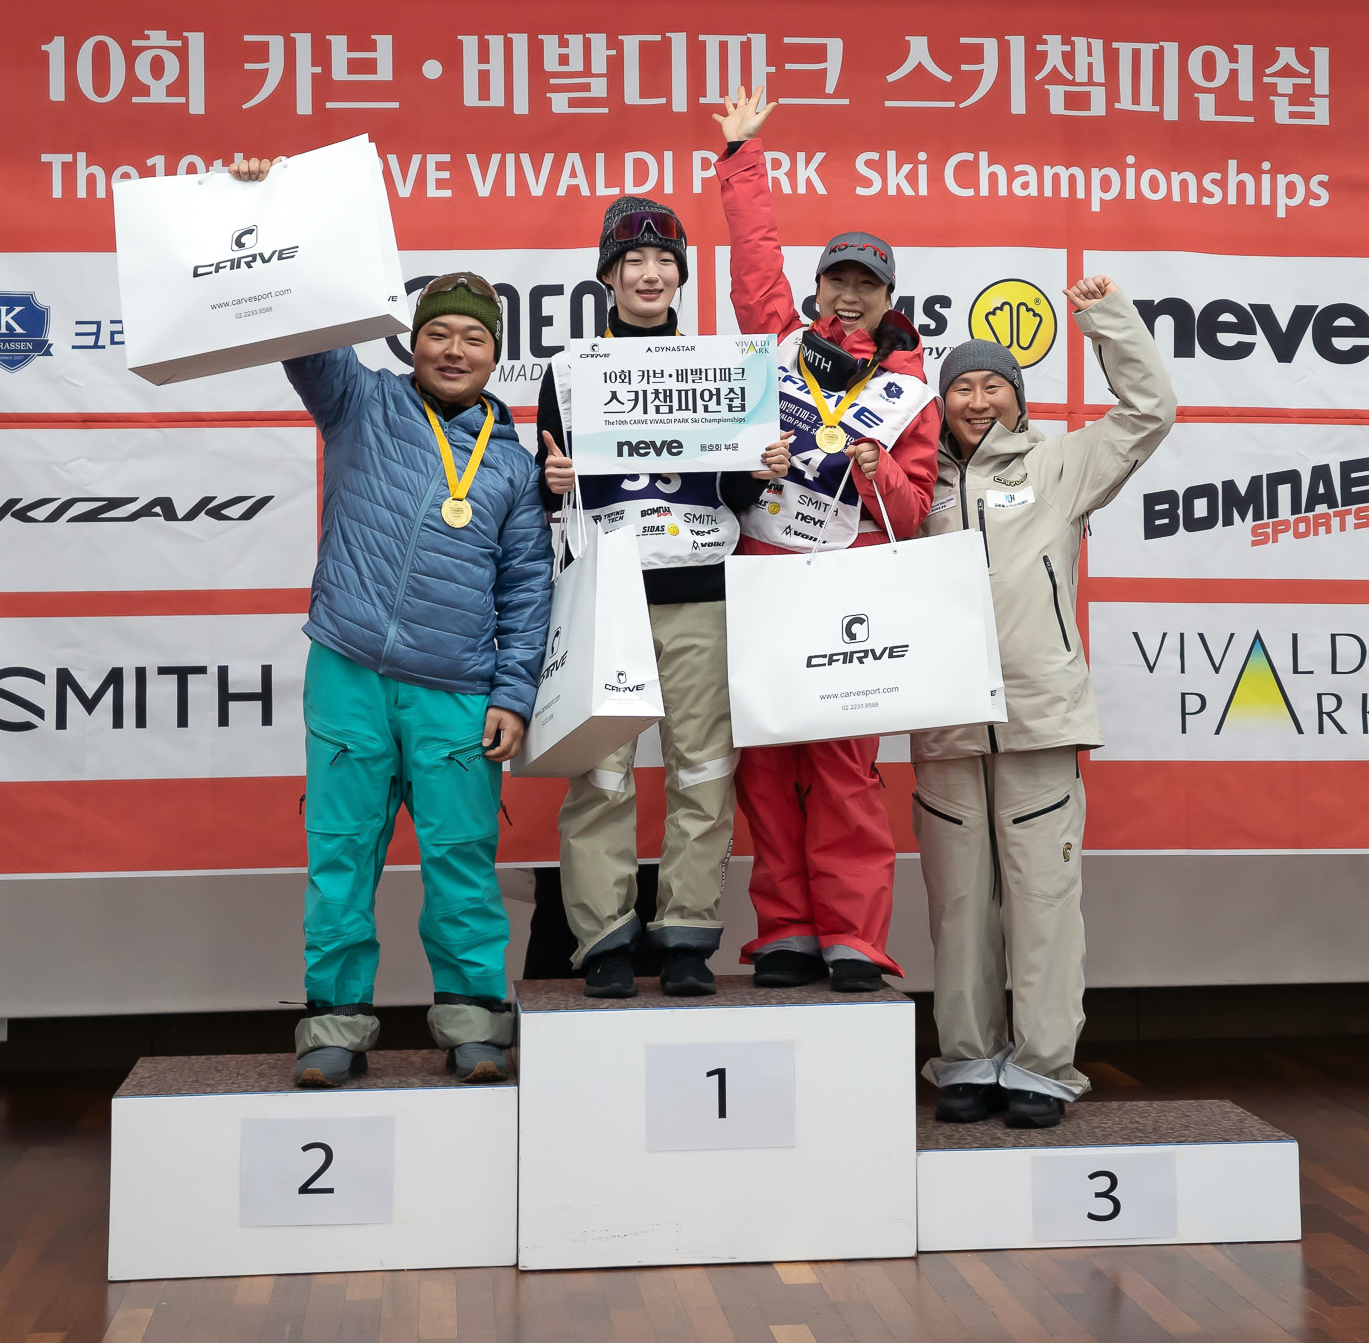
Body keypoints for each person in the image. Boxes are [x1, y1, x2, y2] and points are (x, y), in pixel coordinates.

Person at [226, 158, 551, 1089]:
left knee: (461, 862)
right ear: (411, 342)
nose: (454, 349)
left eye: (473, 338)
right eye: (437, 333)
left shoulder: (513, 466)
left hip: (457, 689)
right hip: (350, 669)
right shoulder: (359, 401)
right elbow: (302, 332)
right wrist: (267, 209)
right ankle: (334, 1024)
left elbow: (528, 589)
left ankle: (474, 1022)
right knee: (340, 856)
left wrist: (513, 695)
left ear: (496, 356)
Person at [912, 280, 1177, 1128]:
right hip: (947, 726)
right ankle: (966, 1057)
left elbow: (1150, 411)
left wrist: (1108, 320)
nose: (977, 400)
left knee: (1044, 904)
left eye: (993, 385)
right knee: (958, 908)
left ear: (1018, 400)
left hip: (1039, 720)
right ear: (941, 402)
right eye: (961, 387)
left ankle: (1041, 1066)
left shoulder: (1060, 466)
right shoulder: (912, 484)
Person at [711, 89, 941, 991]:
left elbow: (913, 514)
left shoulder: (910, 390)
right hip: (764, 577)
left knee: (845, 769)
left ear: (889, 300)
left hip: (852, 593)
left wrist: (873, 467)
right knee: (767, 763)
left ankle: (853, 936)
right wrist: (742, 159)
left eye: (866, 284)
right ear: (816, 290)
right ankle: (787, 931)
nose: (849, 294)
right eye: (837, 280)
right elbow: (752, 265)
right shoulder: (777, 342)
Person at [531, 198, 786, 999]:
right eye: (633, 262)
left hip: (699, 586)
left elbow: (737, 492)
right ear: (607, 277)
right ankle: (604, 938)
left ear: (680, 275)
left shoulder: (721, 365)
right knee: (601, 773)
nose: (650, 274)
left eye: (665, 262)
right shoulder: (570, 371)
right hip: (605, 595)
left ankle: (686, 935)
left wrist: (763, 469)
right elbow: (547, 491)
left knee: (703, 766)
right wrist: (552, 481)